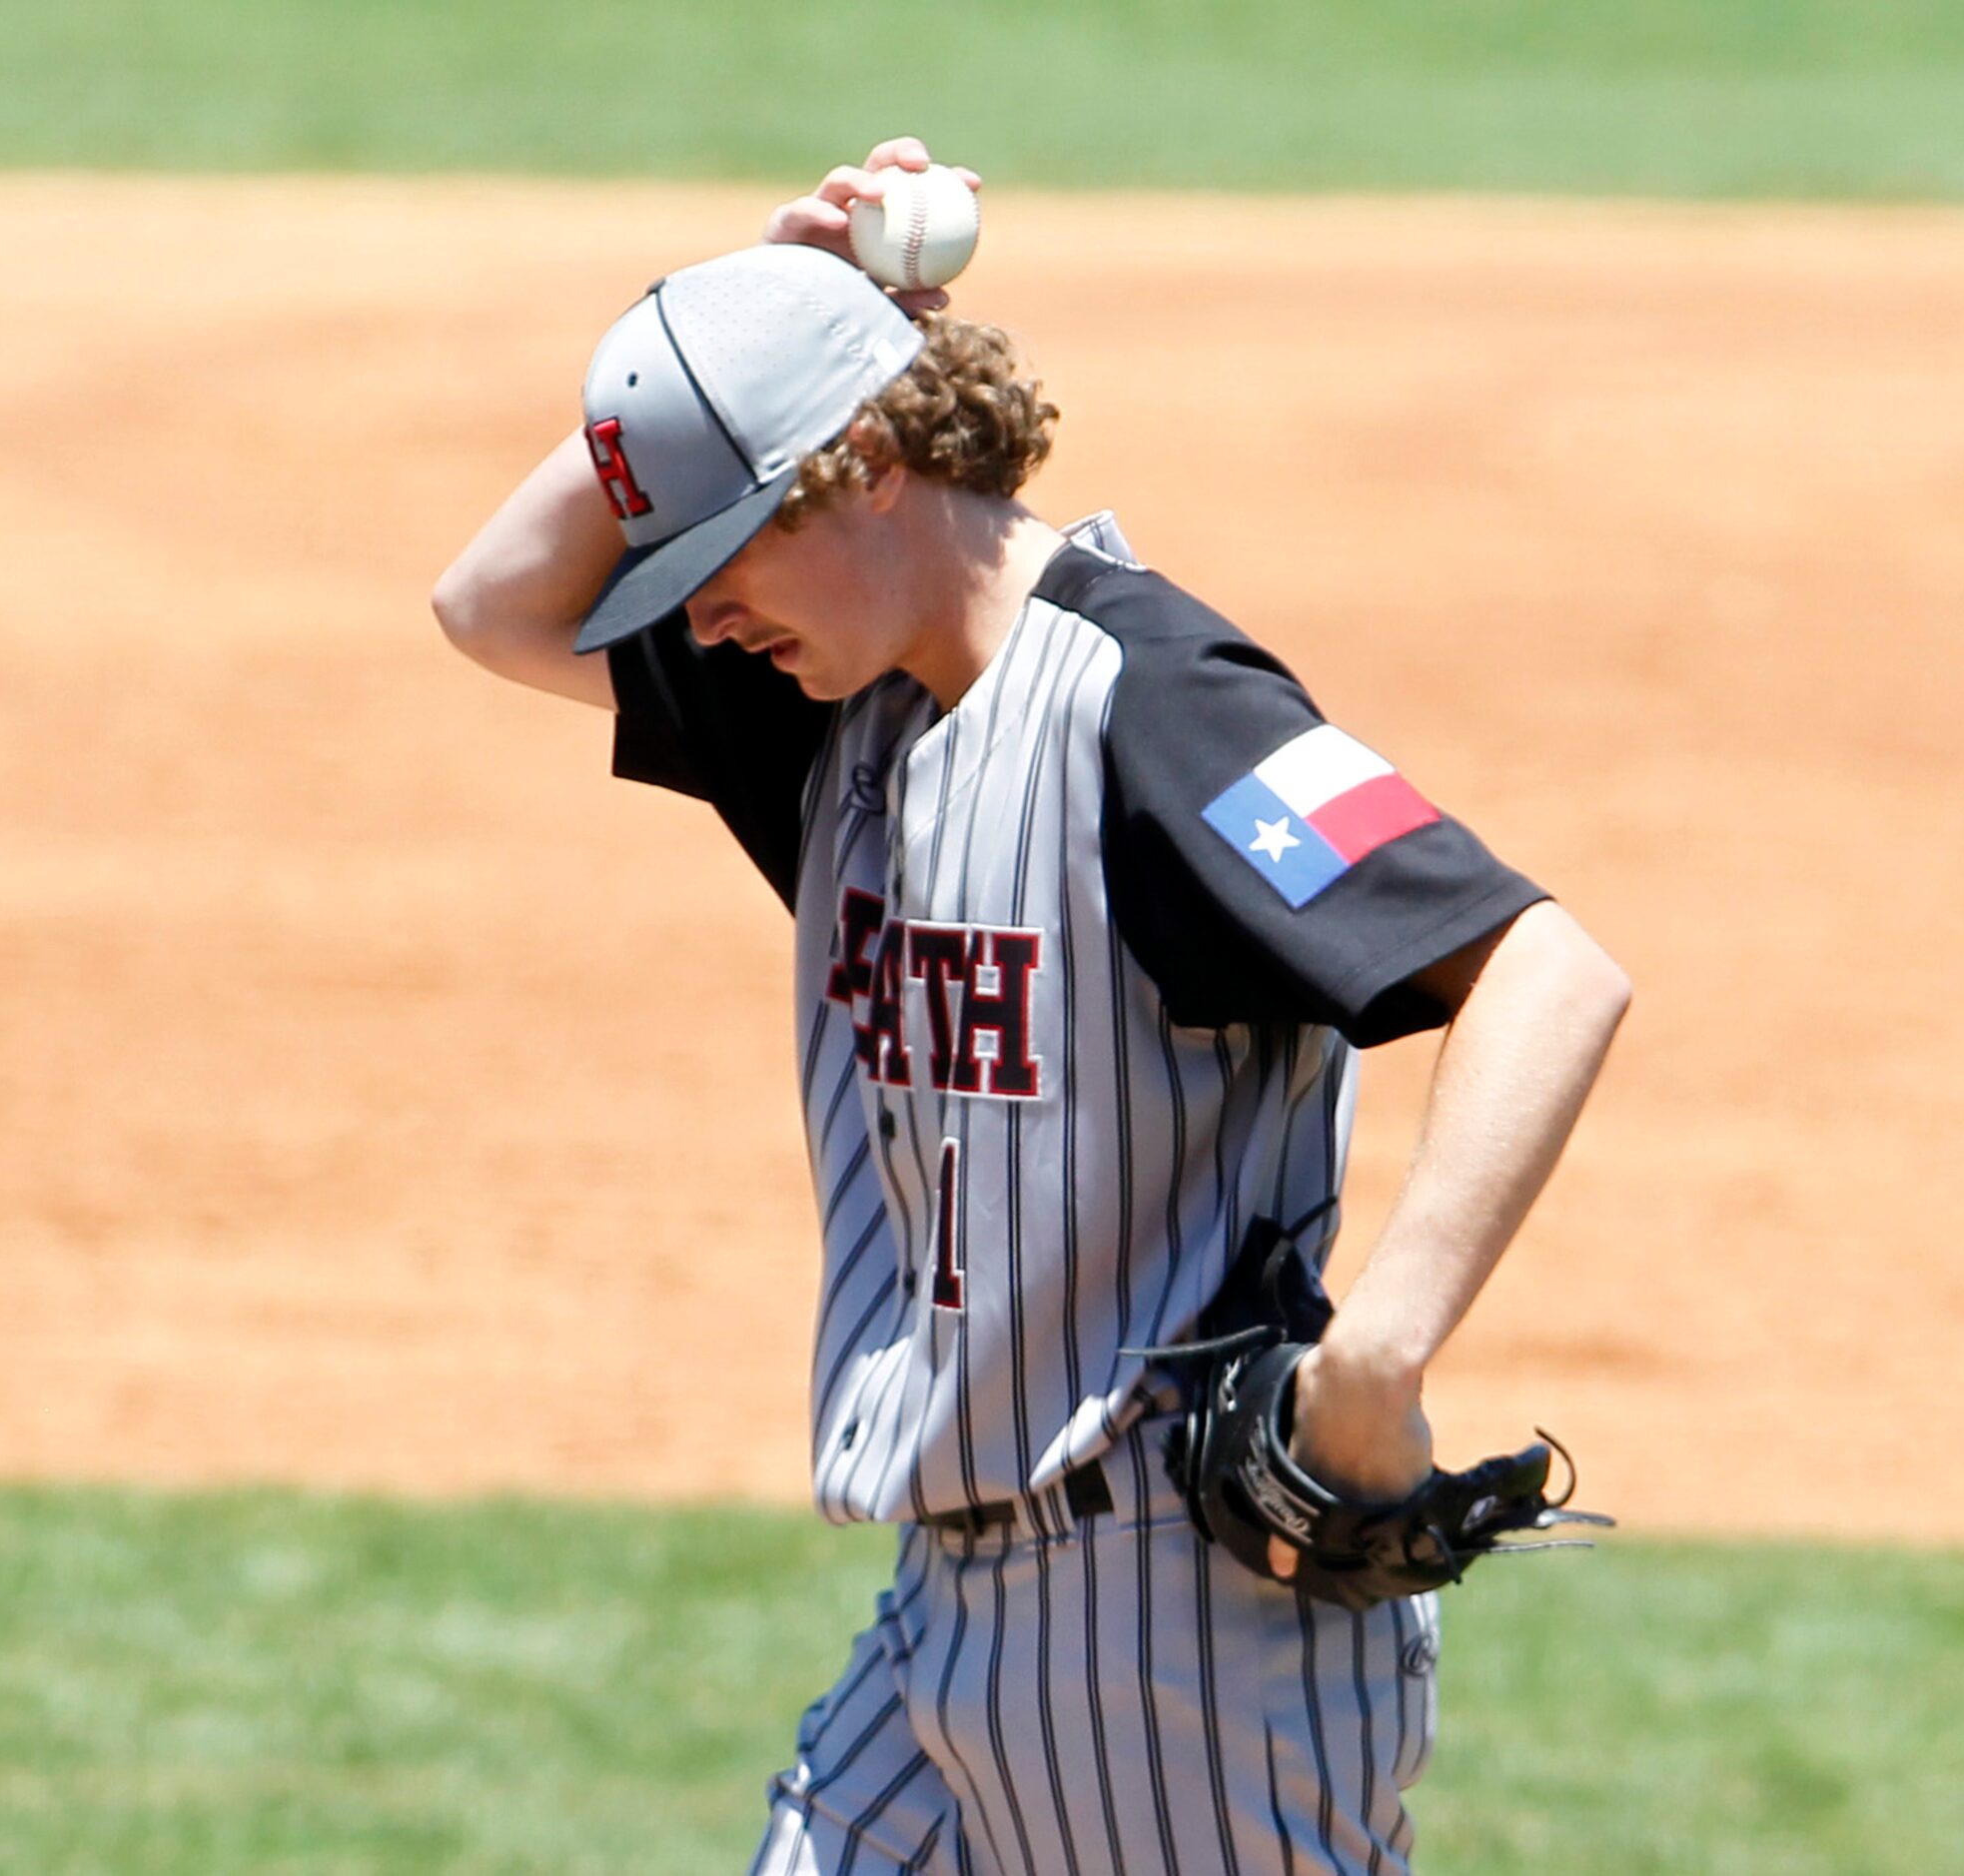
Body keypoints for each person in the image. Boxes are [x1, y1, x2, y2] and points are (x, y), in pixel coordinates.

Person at [434, 136, 1630, 1876]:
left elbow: (1545, 966)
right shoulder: (835, 715)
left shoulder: (1154, 705)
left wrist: (1379, 1355)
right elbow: (491, 604)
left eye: (721, 544)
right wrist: (764, 303)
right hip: (947, 1611)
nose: (699, 610)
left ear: (859, 466)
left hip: (1178, 1643)